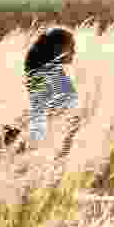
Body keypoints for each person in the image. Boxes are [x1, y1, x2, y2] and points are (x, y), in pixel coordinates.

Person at [24, 27, 80, 156]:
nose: (74, 52)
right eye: (71, 47)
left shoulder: (42, 71)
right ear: (58, 49)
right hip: (44, 152)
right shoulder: (50, 74)